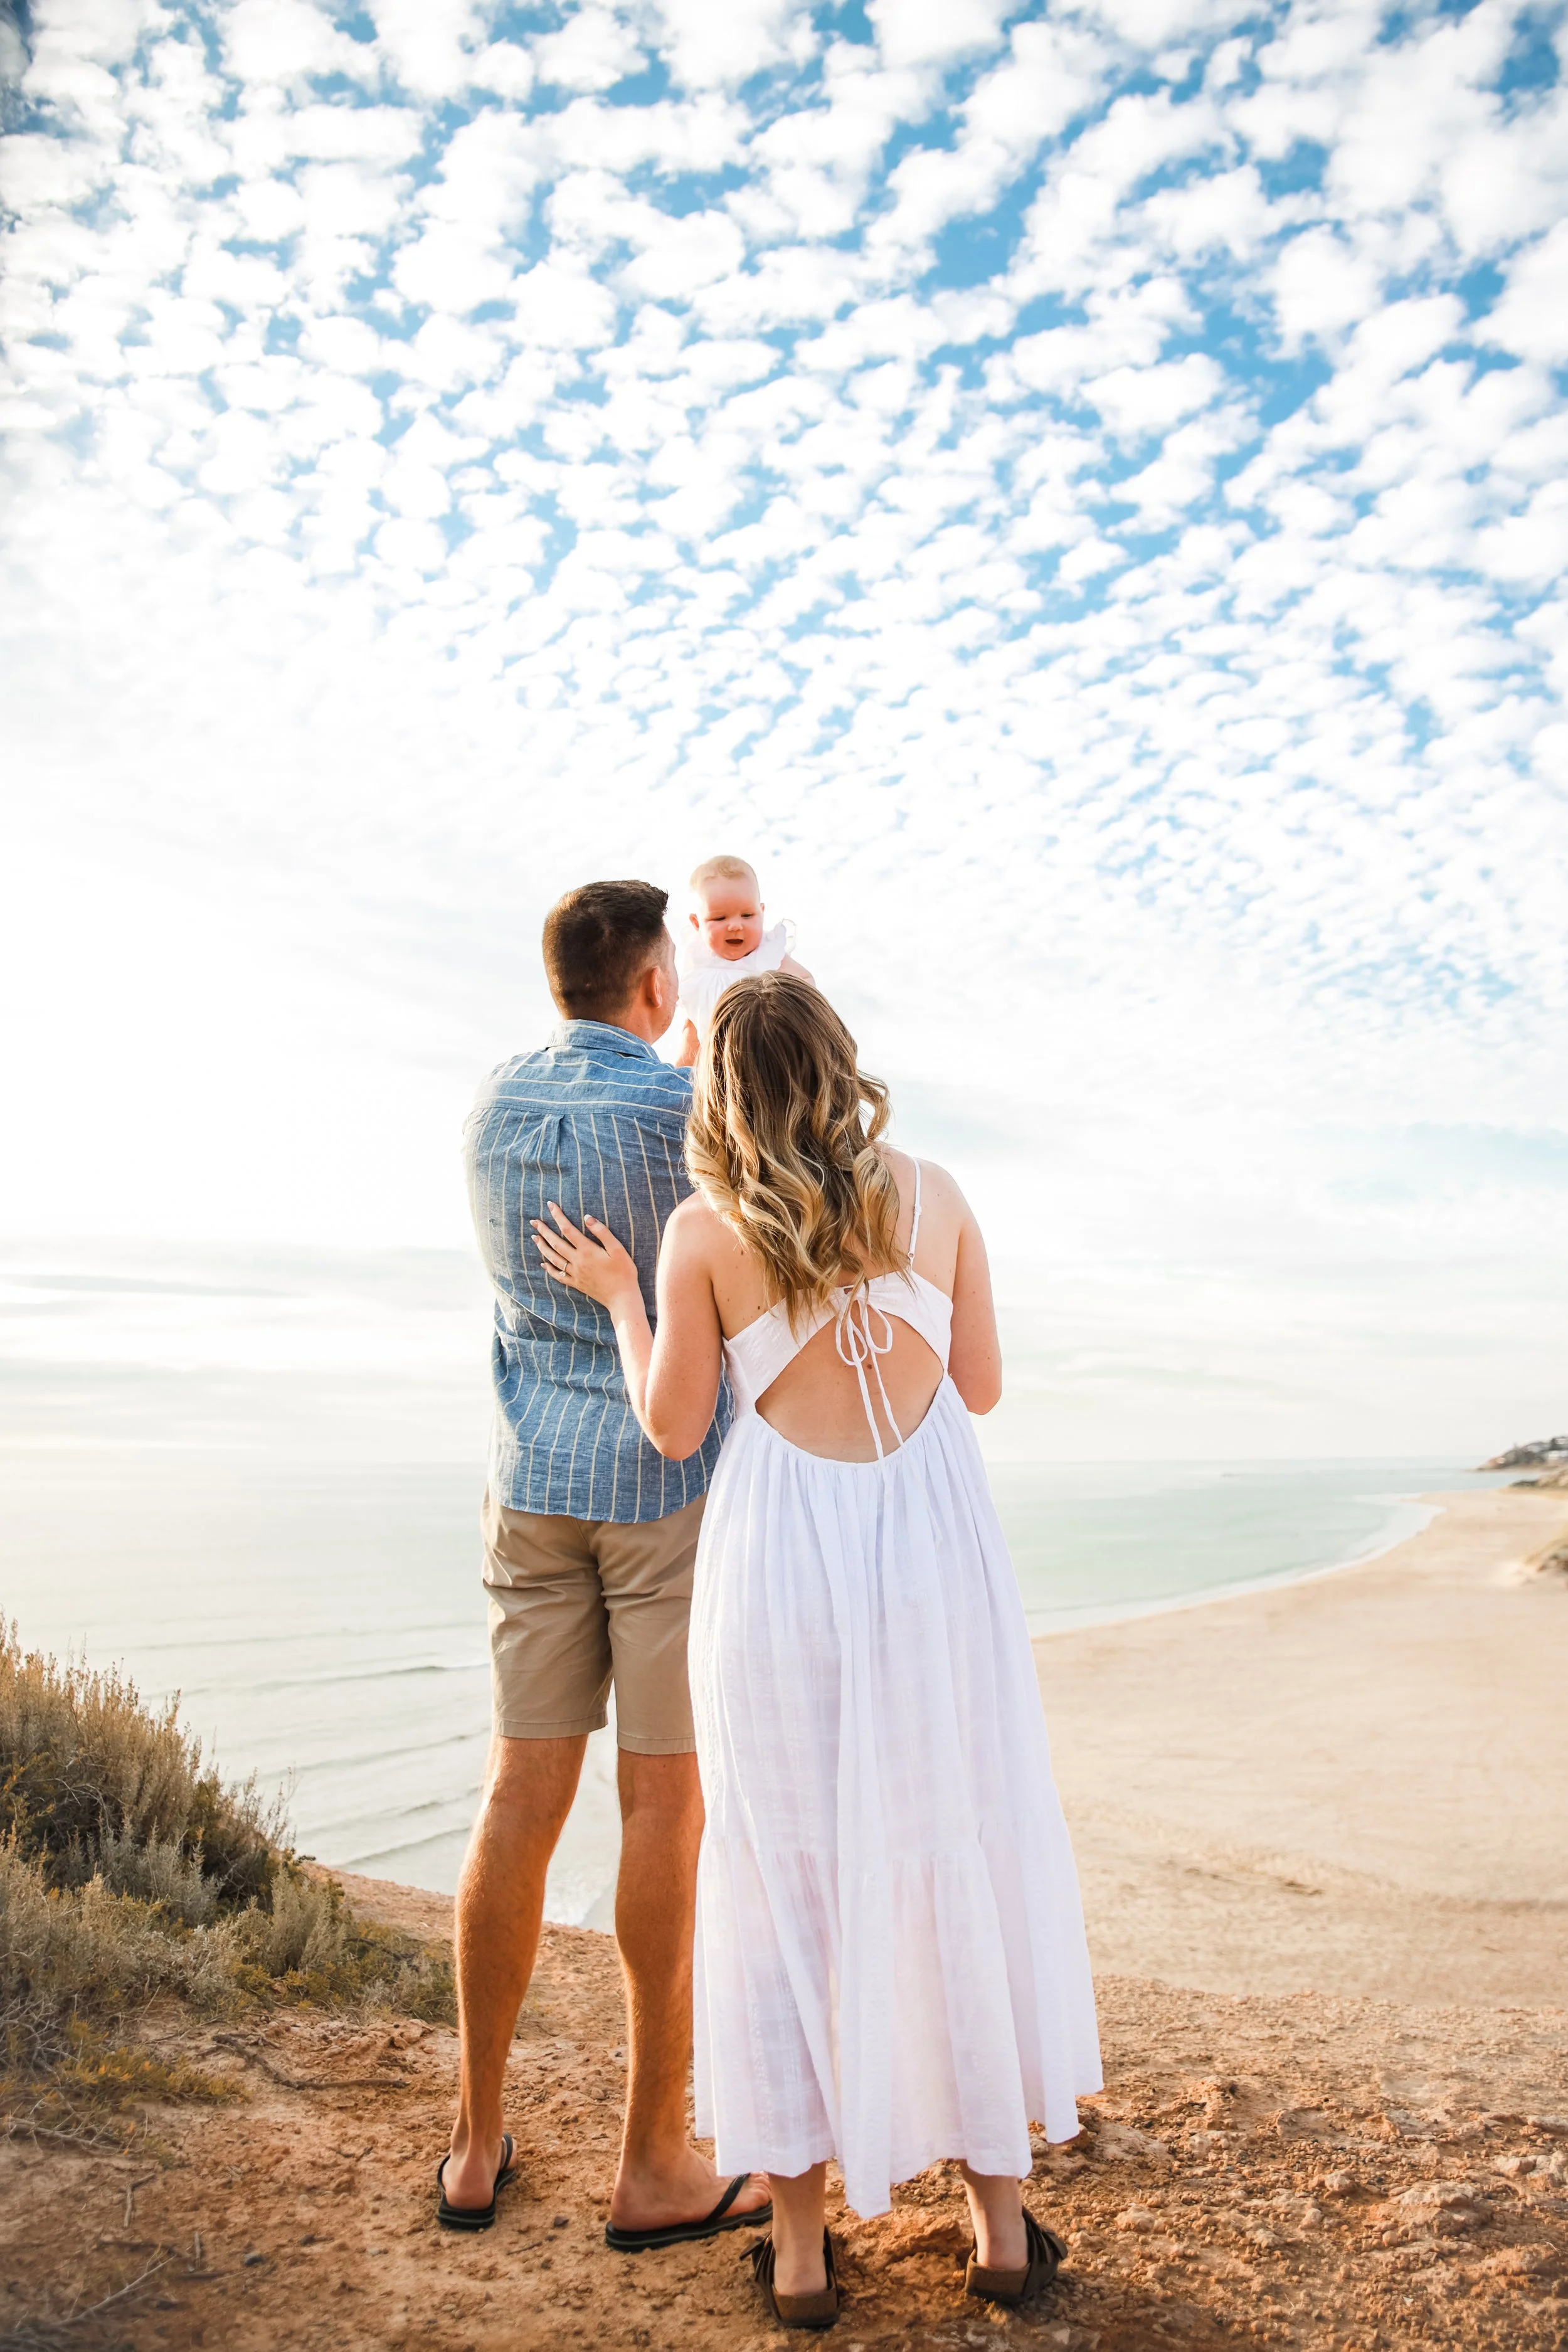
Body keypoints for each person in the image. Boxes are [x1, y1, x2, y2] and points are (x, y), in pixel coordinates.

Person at [532, 973, 1103, 2330]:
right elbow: (978, 1386)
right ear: (842, 1066)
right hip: (933, 1551)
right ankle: (999, 2230)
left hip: (781, 1560)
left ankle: (797, 2256)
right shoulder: (938, 1191)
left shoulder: (700, 1230)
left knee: (782, 1862)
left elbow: (674, 1433)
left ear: (720, 1095)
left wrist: (623, 1299)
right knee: (950, 1841)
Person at [442, 879, 771, 2252]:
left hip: (531, 1489)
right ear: (654, 988)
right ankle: (651, 2162)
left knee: (518, 1792)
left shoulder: (488, 1110)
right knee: (662, 1813)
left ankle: (472, 2147)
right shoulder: (690, 1121)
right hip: (663, 1496)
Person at [673, 853, 814, 1059]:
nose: (736, 925)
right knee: (688, 1043)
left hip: (760, 1046)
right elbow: (679, 996)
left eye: (748, 915)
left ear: (762, 913)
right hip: (707, 1049)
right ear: (697, 924)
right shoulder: (697, 956)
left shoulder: (767, 953)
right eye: (720, 918)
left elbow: (805, 981)